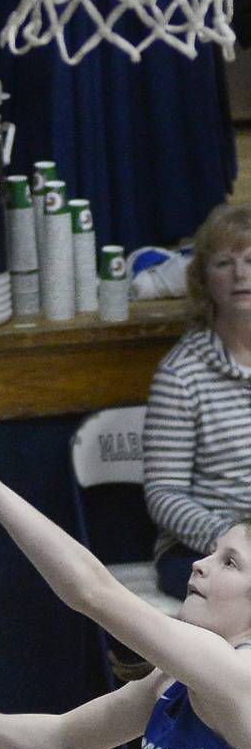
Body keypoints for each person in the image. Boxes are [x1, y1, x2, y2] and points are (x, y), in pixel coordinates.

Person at [0, 466, 251, 749]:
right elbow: (63, 741)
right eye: (212, 552)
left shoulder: (242, 676)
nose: (200, 564)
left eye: (230, 562)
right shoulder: (170, 680)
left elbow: (91, 590)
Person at [143, 203, 251, 601]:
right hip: (202, 552)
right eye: (224, 262)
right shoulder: (181, 374)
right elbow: (164, 493)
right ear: (204, 279)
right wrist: (232, 541)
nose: (241, 274)